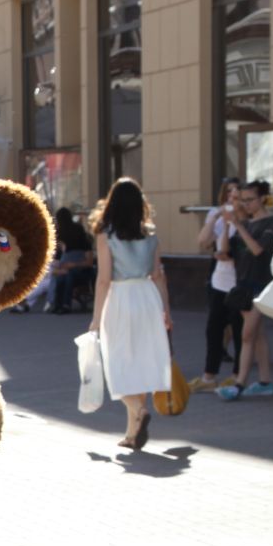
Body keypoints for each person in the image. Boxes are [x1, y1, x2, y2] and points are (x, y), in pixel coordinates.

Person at [88, 178, 172, 451]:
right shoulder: (150, 233)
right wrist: (166, 311)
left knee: (118, 363)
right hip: (148, 297)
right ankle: (132, 432)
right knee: (142, 362)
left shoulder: (105, 235)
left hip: (121, 297)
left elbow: (103, 280)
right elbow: (159, 275)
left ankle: (137, 410)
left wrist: (96, 318)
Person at [216, 180, 273, 401]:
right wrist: (227, 226)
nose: (245, 204)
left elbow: (257, 250)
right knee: (258, 335)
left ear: (263, 198)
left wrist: (239, 225)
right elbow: (225, 251)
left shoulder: (272, 222)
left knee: (246, 336)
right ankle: (265, 381)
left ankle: (239, 383)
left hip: (261, 285)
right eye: (242, 200)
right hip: (244, 284)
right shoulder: (246, 223)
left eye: (249, 200)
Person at [192, 177, 242, 390]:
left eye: (237, 196)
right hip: (219, 280)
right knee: (214, 329)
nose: (232, 199)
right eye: (229, 194)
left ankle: (238, 375)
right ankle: (209, 376)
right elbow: (203, 242)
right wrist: (214, 218)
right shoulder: (219, 216)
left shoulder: (245, 219)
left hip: (240, 281)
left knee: (240, 331)